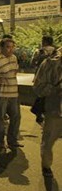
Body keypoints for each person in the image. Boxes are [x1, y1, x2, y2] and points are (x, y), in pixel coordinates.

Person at [33, 47, 62, 178]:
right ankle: (46, 165)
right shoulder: (50, 64)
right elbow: (38, 87)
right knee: (49, 140)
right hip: (54, 108)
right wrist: (55, 89)